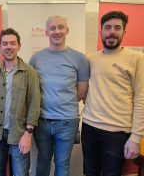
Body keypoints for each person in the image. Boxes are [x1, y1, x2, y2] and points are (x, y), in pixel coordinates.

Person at [81, 10, 144, 176]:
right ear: (100, 31)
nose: (112, 32)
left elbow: (141, 99)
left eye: (117, 28)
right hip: (89, 127)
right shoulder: (90, 59)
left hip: (118, 133)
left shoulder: (137, 59)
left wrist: (136, 138)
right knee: (90, 172)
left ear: (124, 31)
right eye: (107, 27)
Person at [29, 15, 89, 176]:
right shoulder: (36, 58)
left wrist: (63, 102)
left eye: (61, 27)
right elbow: (31, 89)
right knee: (43, 160)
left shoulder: (80, 59)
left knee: (62, 164)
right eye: (52, 28)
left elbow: (82, 91)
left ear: (67, 30)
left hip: (67, 122)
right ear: (46, 32)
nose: (57, 31)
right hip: (41, 122)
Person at [0, 28, 41, 176]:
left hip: (20, 133)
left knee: (20, 173)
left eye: (12, 43)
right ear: (0, 47)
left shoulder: (30, 72)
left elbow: (34, 103)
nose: (8, 47)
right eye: (4, 43)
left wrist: (28, 133)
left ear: (19, 46)